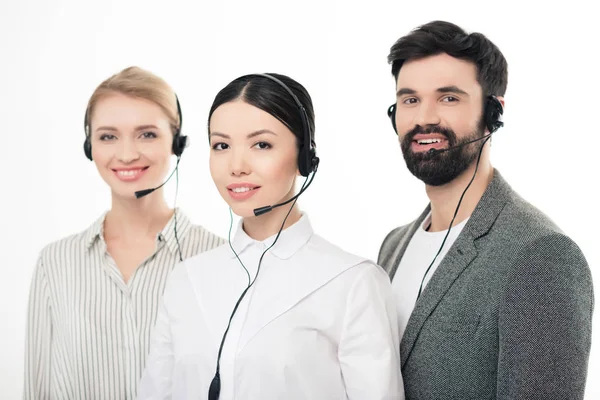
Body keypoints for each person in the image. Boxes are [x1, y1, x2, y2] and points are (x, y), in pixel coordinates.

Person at [138, 72, 404, 400]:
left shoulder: (354, 284)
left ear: (305, 156)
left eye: (261, 144)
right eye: (221, 145)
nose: (236, 165)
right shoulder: (187, 279)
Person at [378, 20, 594, 399]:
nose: (425, 117)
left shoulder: (541, 255)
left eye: (449, 98)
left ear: (493, 113)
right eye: (410, 99)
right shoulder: (393, 245)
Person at [23, 66, 224, 399]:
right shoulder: (55, 263)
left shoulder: (219, 258)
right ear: (90, 147)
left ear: (176, 143)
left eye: (147, 134)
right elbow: (39, 389)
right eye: (108, 136)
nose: (127, 153)